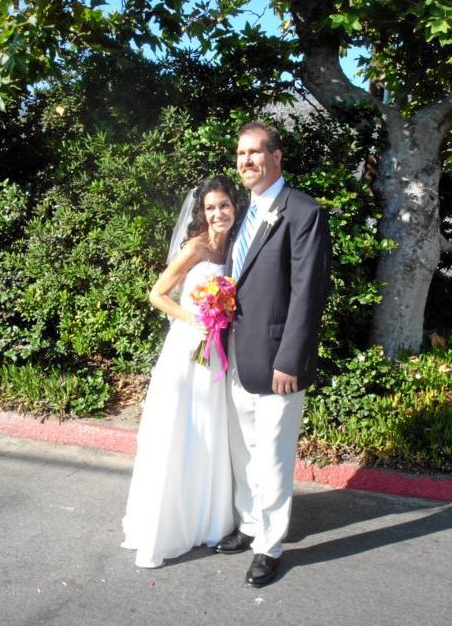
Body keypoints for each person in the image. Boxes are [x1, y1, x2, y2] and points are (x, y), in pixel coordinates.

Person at [215, 120, 332, 587]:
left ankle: (269, 545)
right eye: (240, 154)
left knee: (273, 458)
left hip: (279, 360)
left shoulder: (303, 211)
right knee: (244, 450)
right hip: (237, 356)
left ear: (276, 157)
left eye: (255, 152)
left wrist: (291, 359)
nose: (246, 161)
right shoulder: (244, 213)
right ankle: (249, 523)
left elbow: (308, 292)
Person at [121, 175, 241, 568]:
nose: (218, 213)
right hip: (188, 349)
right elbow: (157, 294)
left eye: (224, 205)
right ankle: (167, 525)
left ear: (234, 206)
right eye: (211, 207)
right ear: (202, 212)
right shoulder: (195, 247)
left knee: (210, 431)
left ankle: (205, 519)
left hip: (216, 353)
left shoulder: (234, 246)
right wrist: (194, 319)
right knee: (181, 432)